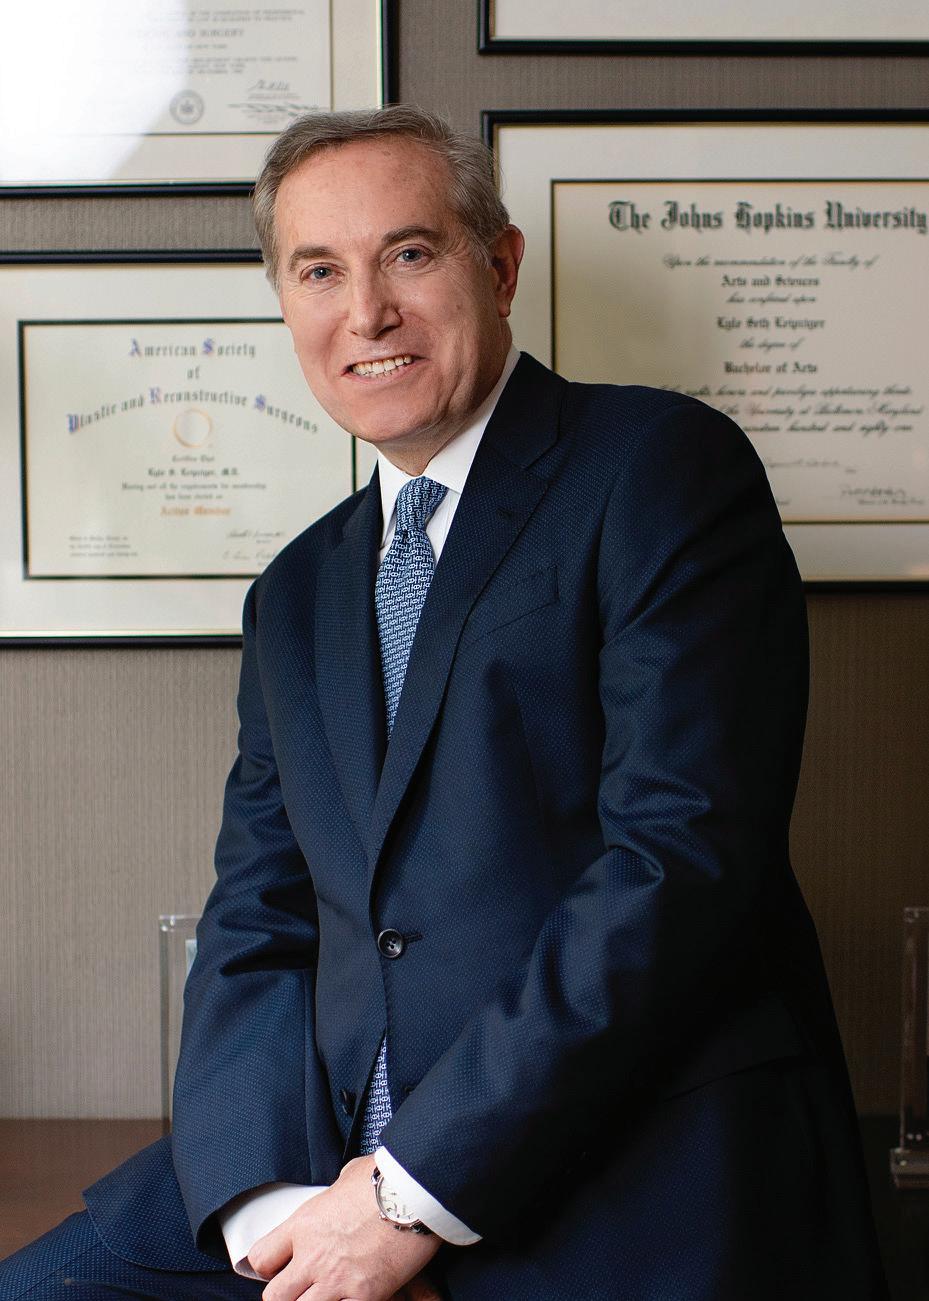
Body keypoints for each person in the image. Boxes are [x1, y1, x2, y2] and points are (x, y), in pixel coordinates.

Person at [1, 105, 888, 1301]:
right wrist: (280, 1216)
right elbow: (258, 917)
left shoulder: (657, 467)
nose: (365, 312)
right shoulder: (293, 591)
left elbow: (676, 862)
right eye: (319, 271)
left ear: (500, 266)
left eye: (408, 254)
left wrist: (405, 1196)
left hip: (608, 1168)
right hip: (315, 1173)